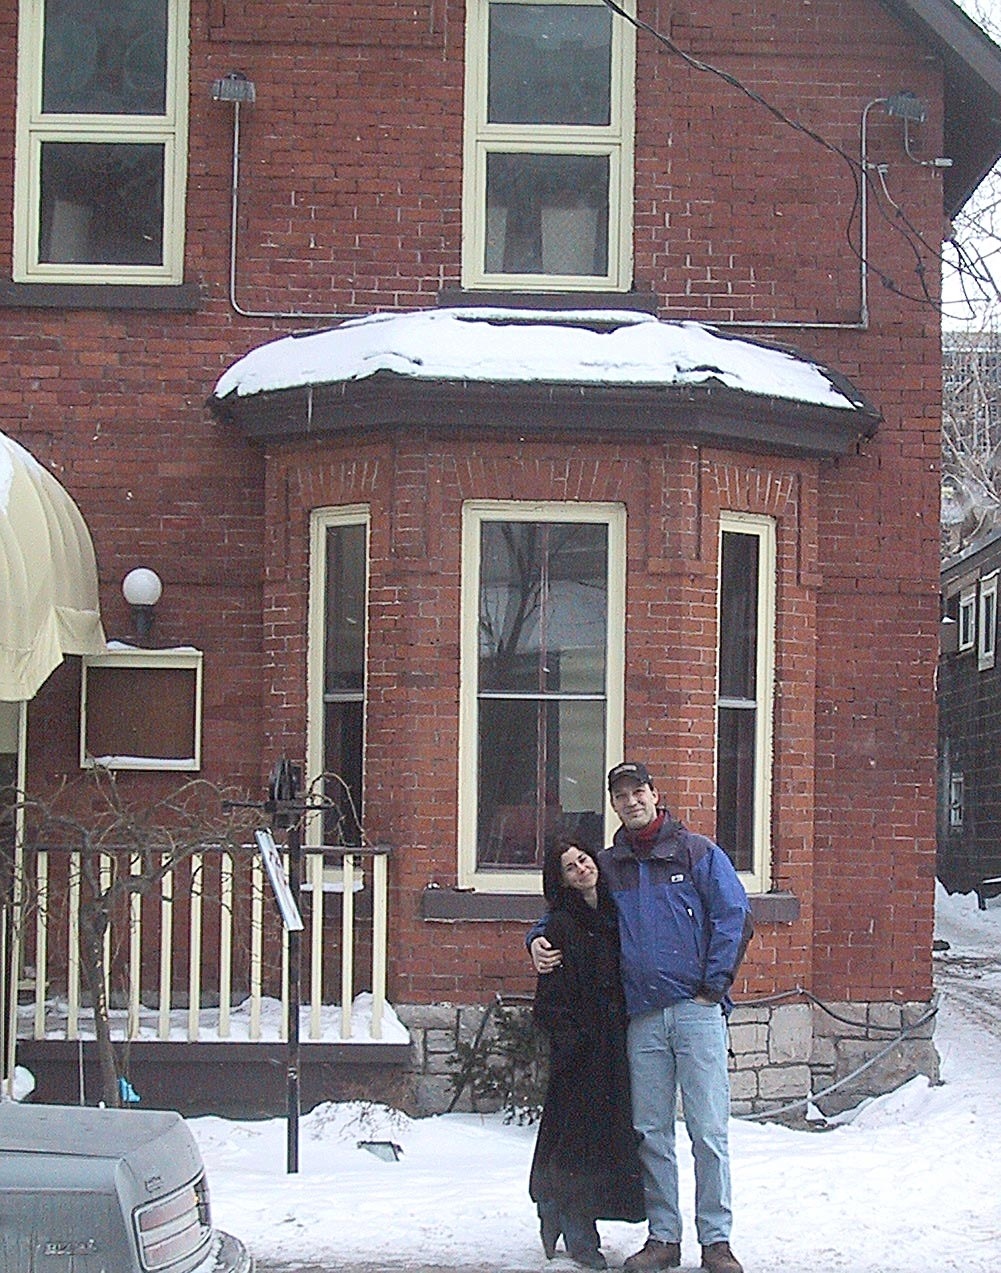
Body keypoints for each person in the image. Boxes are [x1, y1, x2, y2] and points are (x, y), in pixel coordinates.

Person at [530, 763, 753, 1273]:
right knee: (651, 1132)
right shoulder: (610, 865)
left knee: (708, 1132)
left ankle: (716, 1241)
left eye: (638, 792)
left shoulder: (697, 853)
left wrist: (712, 988)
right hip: (643, 1020)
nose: (631, 801)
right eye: (620, 795)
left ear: (656, 794)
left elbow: (734, 916)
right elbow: (563, 907)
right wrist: (535, 941)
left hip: (696, 1013)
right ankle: (664, 1237)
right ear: (613, 805)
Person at [529, 839, 645, 1270]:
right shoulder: (559, 925)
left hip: (616, 1045)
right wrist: (573, 1041)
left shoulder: (616, 915)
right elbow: (549, 1003)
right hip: (580, 1054)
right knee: (576, 1142)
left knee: (605, 1143)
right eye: (569, 867)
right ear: (560, 880)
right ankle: (579, 1236)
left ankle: (559, 1212)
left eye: (583, 860)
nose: (581, 869)